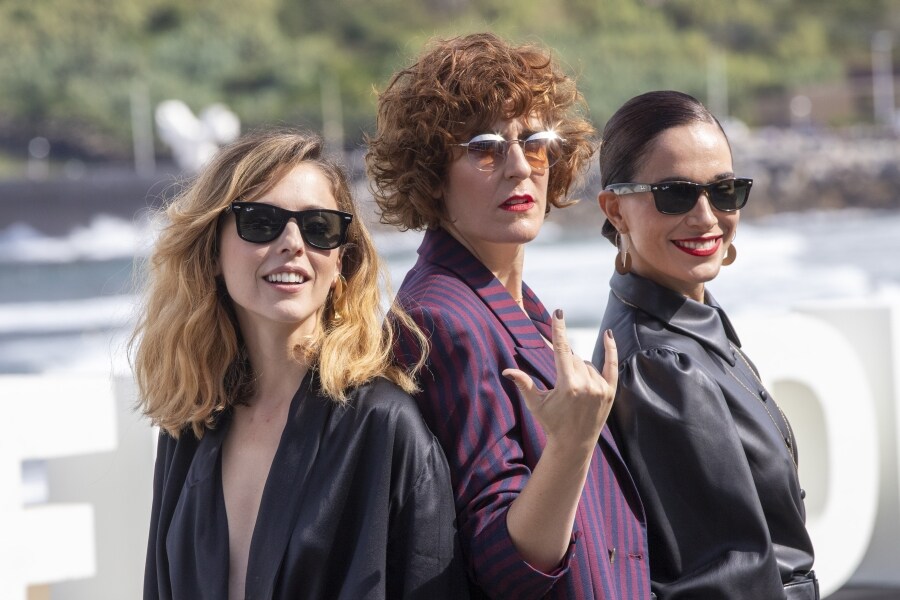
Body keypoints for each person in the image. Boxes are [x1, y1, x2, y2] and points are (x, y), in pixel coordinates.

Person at [367, 33, 651, 600]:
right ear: (430, 171)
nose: (521, 166)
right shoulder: (444, 320)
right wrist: (572, 445)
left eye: (536, 142)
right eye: (485, 147)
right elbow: (505, 563)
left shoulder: (512, 301)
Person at [132, 129, 468, 600]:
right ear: (211, 252)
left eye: (319, 227)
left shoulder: (383, 425)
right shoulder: (192, 419)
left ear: (341, 264)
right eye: (261, 221)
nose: (292, 242)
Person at [594, 90, 817, 599]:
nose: (705, 216)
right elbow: (726, 581)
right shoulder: (662, 364)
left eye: (724, 191)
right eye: (675, 193)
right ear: (616, 209)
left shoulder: (691, 322)